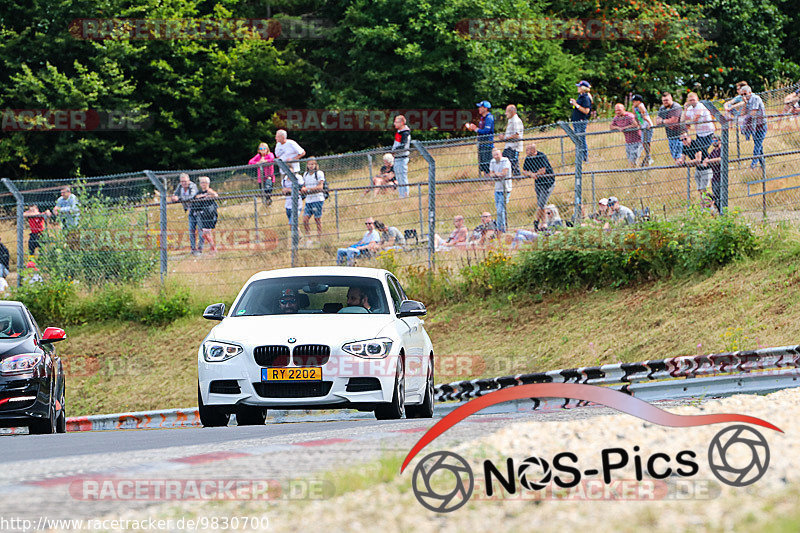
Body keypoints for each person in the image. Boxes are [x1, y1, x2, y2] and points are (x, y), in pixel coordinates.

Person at [521, 143, 555, 229]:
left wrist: (535, 174)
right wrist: (531, 174)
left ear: (533, 150)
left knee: (541, 204)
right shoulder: (528, 158)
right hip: (538, 183)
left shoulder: (541, 156)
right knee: (541, 205)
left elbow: (543, 170)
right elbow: (524, 171)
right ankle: (543, 223)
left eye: (527, 150)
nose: (526, 152)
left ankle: (536, 221)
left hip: (547, 183)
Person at [170, 173, 201, 255]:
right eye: (182, 181)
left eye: (185, 181)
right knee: (191, 230)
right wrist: (173, 198)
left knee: (201, 230)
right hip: (190, 211)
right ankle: (193, 249)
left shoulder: (192, 186)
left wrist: (179, 198)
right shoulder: (180, 186)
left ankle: (200, 249)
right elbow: (175, 195)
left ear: (189, 180)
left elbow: (192, 196)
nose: (184, 183)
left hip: (198, 210)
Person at [677, 132, 711, 199]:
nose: (684, 141)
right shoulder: (685, 147)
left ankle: (710, 204)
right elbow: (682, 158)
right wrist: (680, 161)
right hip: (698, 169)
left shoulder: (695, 144)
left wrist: (686, 163)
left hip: (706, 168)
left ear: (689, 137)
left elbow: (698, 160)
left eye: (685, 139)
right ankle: (704, 206)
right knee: (700, 190)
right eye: (681, 140)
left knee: (704, 190)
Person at [465, 100, 495, 176]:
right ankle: (485, 179)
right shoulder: (482, 118)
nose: (479, 109)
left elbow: (486, 131)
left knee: (487, 164)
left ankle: (489, 180)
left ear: (485, 108)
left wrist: (475, 129)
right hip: (482, 144)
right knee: (483, 165)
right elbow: (480, 130)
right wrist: (473, 128)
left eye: (480, 107)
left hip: (487, 144)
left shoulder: (489, 118)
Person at [741, 85, 767, 169]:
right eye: (742, 95)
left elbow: (753, 113)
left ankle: (753, 164)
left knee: (757, 146)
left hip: (761, 126)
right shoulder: (747, 101)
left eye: (745, 94)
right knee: (759, 146)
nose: (744, 96)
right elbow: (743, 113)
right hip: (754, 126)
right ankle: (763, 165)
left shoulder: (755, 98)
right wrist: (745, 103)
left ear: (750, 92)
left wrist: (744, 121)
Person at [610, 103, 643, 168]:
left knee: (633, 159)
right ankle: (634, 171)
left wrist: (625, 128)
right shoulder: (616, 118)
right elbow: (611, 126)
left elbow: (635, 125)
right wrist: (618, 128)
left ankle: (636, 172)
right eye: (616, 110)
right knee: (629, 159)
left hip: (637, 140)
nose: (617, 112)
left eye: (619, 110)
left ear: (624, 109)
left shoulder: (629, 116)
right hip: (628, 142)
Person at [657, 92, 685, 163]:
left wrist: (663, 121)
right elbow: (657, 121)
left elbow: (674, 121)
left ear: (671, 99)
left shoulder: (676, 107)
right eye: (663, 100)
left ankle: (681, 170)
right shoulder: (662, 108)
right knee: (674, 156)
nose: (665, 102)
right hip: (670, 135)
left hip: (679, 135)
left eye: (667, 100)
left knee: (679, 156)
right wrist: (667, 121)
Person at [488, 148, 512, 232]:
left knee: (500, 210)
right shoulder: (492, 161)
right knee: (499, 209)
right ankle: (500, 229)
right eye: (494, 155)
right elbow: (491, 174)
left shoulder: (505, 161)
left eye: (497, 154)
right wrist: (497, 174)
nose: (496, 157)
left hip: (505, 189)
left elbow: (504, 173)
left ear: (501, 154)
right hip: (497, 189)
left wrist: (497, 174)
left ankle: (501, 229)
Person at [301, 158, 325, 239]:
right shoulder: (305, 174)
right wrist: (304, 190)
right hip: (309, 200)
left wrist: (308, 190)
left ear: (315, 165)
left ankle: (319, 237)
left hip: (317, 199)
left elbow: (320, 187)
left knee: (317, 219)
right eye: (309, 164)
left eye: (312, 164)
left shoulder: (319, 173)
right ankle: (309, 238)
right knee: (305, 219)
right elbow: (303, 186)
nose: (310, 166)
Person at [194, 176, 219, 254]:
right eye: (201, 182)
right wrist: (202, 196)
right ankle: (213, 249)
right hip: (203, 214)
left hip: (210, 214)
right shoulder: (199, 192)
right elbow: (196, 197)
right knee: (206, 233)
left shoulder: (209, 190)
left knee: (205, 233)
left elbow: (215, 195)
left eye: (204, 182)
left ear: (208, 183)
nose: (203, 184)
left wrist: (208, 194)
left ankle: (214, 249)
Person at [570, 81, 592, 162]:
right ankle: (580, 157)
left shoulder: (586, 98)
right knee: (578, 140)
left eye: (579, 86)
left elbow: (586, 111)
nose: (578, 88)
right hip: (576, 121)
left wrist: (576, 105)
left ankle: (584, 158)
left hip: (581, 122)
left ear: (583, 88)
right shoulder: (580, 97)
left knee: (581, 139)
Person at [499, 104, 523, 176]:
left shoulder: (516, 121)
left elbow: (517, 135)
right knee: (504, 161)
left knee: (514, 163)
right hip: (508, 146)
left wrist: (505, 138)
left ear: (512, 112)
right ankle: (506, 175)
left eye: (507, 111)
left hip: (514, 147)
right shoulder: (511, 120)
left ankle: (517, 177)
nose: (505, 113)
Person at [631, 95, 654, 166]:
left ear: (639, 101)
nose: (633, 102)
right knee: (644, 142)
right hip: (642, 126)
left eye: (634, 101)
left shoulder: (641, 106)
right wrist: (638, 124)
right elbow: (636, 117)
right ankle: (647, 157)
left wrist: (650, 123)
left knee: (646, 141)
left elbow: (645, 116)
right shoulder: (634, 108)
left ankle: (648, 157)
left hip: (646, 125)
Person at [392, 115, 411, 198]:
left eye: (396, 122)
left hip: (402, 158)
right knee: (399, 178)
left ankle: (405, 195)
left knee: (403, 177)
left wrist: (394, 151)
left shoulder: (405, 133)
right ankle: (401, 195)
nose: (394, 123)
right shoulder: (399, 132)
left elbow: (403, 145)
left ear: (402, 123)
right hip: (397, 158)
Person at [704, 136, 723, 213]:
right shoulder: (713, 151)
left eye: (716, 140)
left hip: (721, 176)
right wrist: (706, 161)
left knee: (720, 196)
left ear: (720, 140)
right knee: (716, 196)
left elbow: (721, 159)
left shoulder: (722, 149)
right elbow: (707, 159)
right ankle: (719, 211)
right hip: (714, 177)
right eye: (713, 140)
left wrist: (709, 161)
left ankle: (722, 211)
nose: (714, 142)